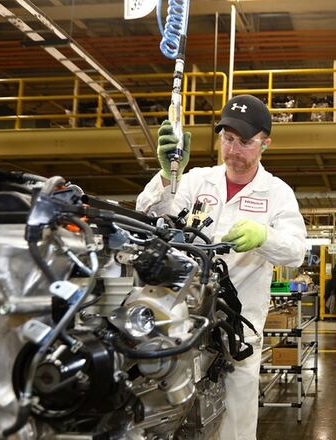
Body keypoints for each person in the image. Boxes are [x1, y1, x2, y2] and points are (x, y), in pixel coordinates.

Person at [136, 94, 307, 440]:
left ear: (265, 143)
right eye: (227, 139)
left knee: (235, 428)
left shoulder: (277, 193)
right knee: (175, 417)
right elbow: (150, 217)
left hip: (237, 334)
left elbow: (296, 251)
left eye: (245, 142)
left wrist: (264, 236)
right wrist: (168, 176)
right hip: (183, 326)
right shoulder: (197, 180)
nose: (233, 150)